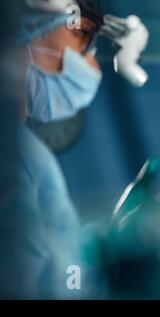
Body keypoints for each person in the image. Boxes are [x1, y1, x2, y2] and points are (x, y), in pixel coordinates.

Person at [0, 0, 104, 298]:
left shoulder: (26, 153)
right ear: (26, 26)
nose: (92, 64)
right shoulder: (12, 154)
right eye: (82, 35)